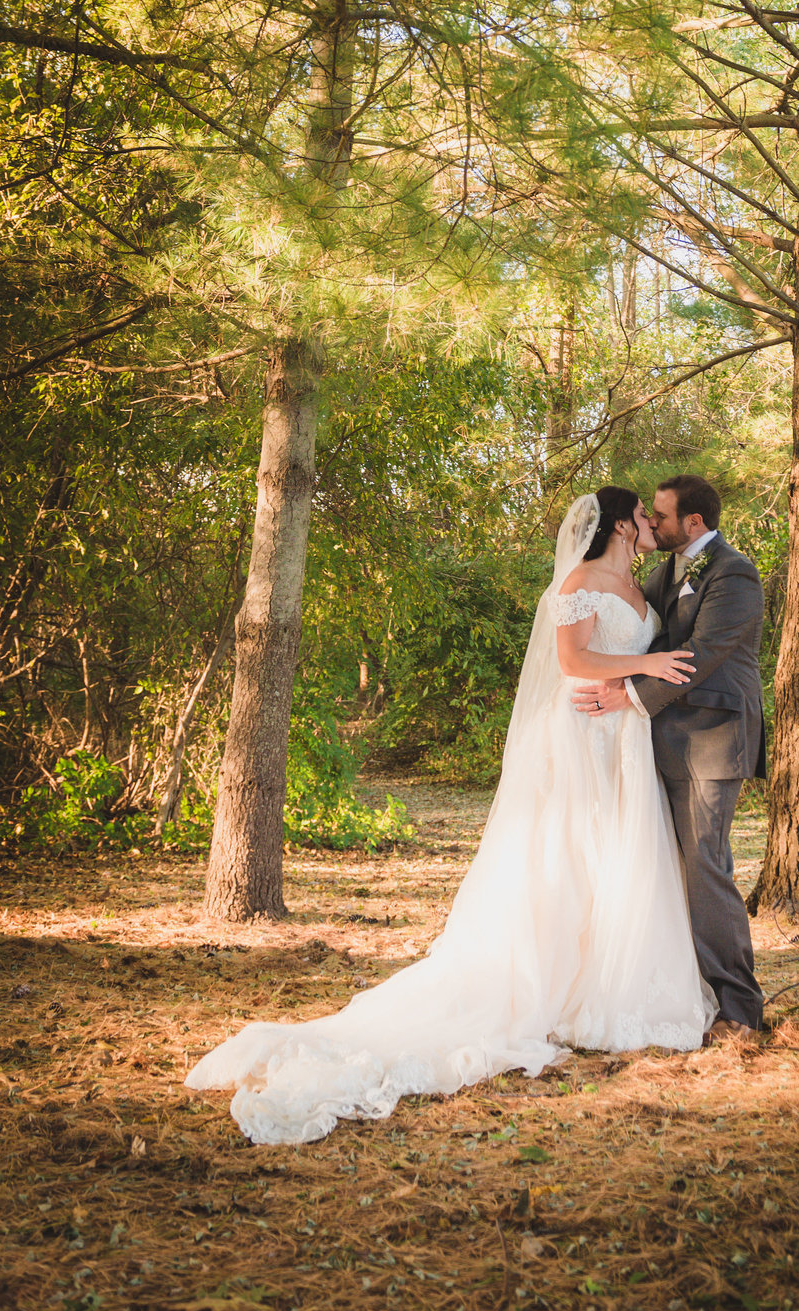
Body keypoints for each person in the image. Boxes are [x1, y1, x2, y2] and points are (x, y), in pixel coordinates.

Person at [185, 487, 714, 1145]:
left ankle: (606, 984)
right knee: (568, 858)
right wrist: (647, 661)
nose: (649, 523)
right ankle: (554, 982)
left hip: (622, 740)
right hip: (579, 737)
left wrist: (641, 677)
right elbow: (573, 660)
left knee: (619, 859)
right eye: (641, 513)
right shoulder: (579, 579)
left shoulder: (644, 586)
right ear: (617, 521)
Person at [570, 474, 767, 1036]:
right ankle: (687, 990)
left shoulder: (733, 572)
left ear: (694, 523)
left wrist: (626, 694)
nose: (652, 524)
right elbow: (641, 640)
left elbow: (698, 655)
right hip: (659, 738)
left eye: (660, 516)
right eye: (647, 515)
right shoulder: (664, 571)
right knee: (666, 867)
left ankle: (739, 1008)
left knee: (705, 866)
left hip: (712, 738)